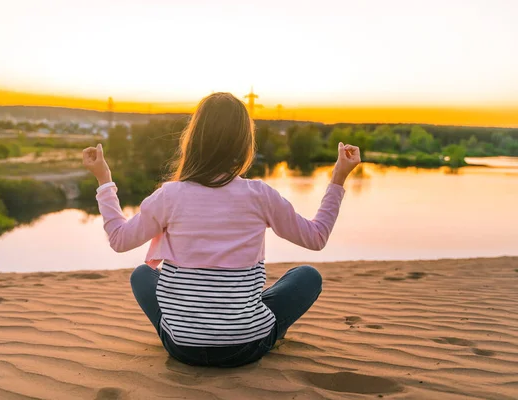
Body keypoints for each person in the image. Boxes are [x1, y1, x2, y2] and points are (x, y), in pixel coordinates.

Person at [82, 92, 360, 367]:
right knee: (307, 276)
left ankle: (205, 323)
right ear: (243, 144)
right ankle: (248, 321)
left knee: (142, 274)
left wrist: (104, 180)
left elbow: (119, 240)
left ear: (194, 141)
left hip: (182, 348)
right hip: (247, 348)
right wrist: (338, 177)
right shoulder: (260, 195)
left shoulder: (169, 196)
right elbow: (316, 237)